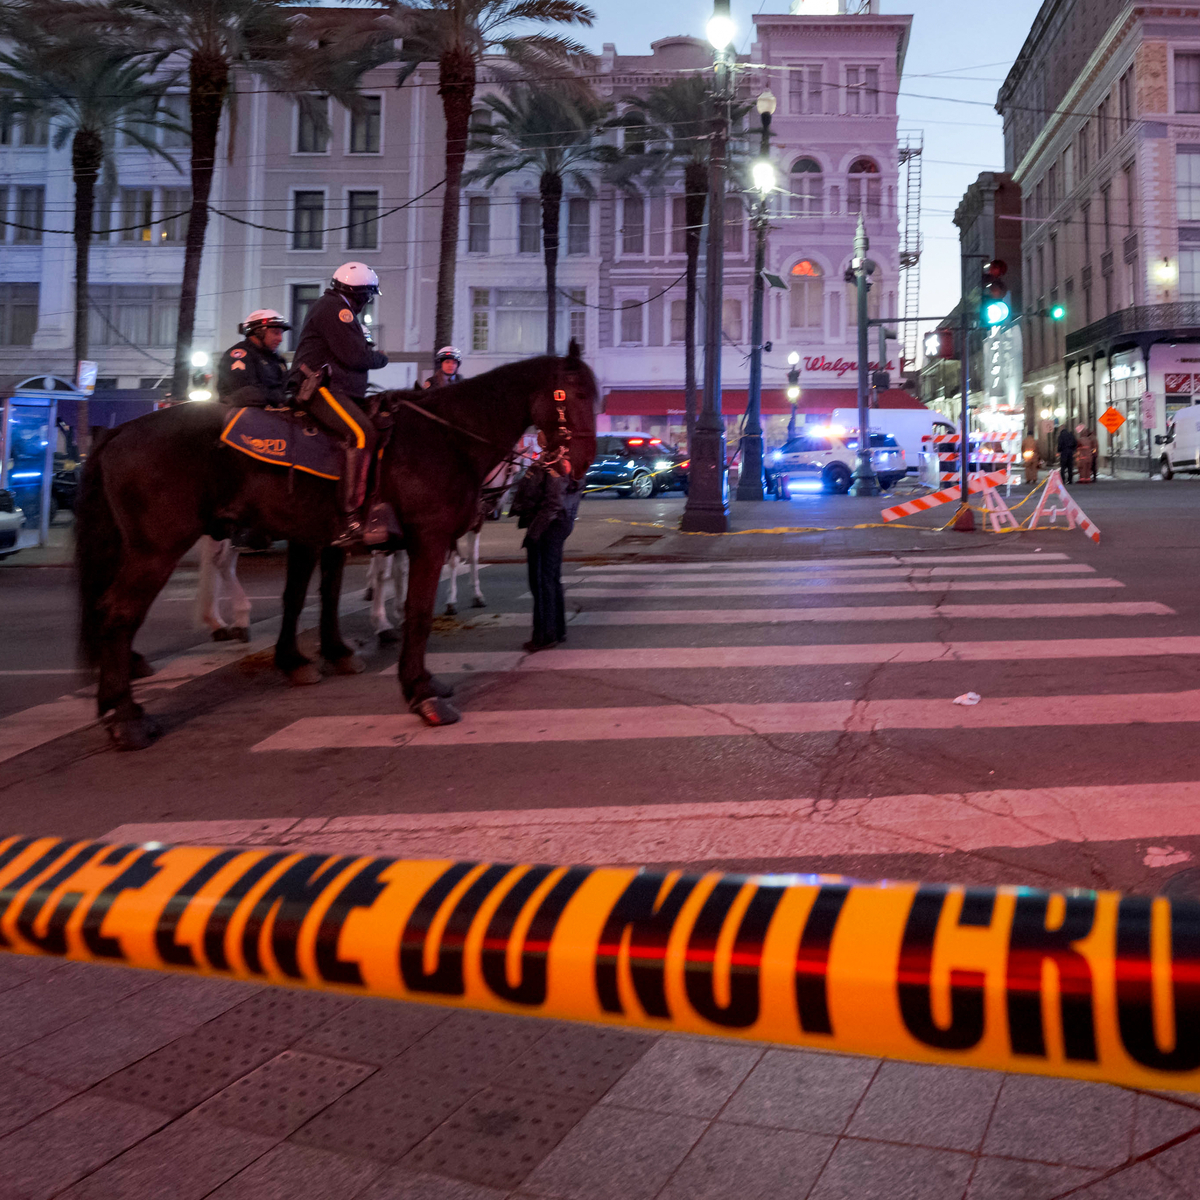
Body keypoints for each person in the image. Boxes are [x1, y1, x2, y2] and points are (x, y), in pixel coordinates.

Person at [288, 262, 389, 546]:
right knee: (361, 434)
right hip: (318, 387)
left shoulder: (335, 307)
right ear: (359, 293)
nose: (368, 302)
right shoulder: (337, 310)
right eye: (368, 295)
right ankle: (349, 518)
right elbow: (355, 357)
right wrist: (381, 357)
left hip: (337, 387)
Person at [511, 434, 582, 652]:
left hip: (547, 527)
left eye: (544, 434)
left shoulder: (557, 463)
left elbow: (553, 502)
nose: (540, 437)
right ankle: (557, 630)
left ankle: (544, 635)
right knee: (550, 579)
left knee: (542, 582)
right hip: (555, 524)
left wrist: (534, 533)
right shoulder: (558, 461)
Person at [216, 309, 290, 408]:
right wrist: (282, 399)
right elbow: (247, 393)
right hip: (242, 418)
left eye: (281, 334)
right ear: (259, 332)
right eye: (275, 333)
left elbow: (287, 387)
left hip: (272, 417)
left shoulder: (278, 359)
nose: (280, 339)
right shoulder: (239, 355)